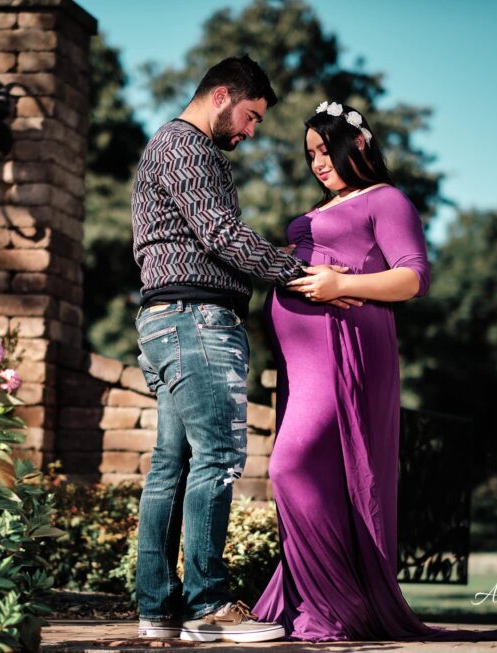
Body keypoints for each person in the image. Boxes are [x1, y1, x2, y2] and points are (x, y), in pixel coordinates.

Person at [252, 101, 497, 645]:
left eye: (326, 150)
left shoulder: (386, 199)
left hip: (346, 350)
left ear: (359, 144)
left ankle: (333, 605)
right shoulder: (321, 208)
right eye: (310, 154)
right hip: (303, 359)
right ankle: (320, 602)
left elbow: (413, 278)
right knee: (319, 477)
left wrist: (341, 285)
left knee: (290, 467)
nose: (317, 163)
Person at [130, 57, 351, 644]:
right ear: (221, 95)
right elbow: (222, 235)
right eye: (251, 116)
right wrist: (302, 274)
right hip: (197, 320)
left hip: (167, 320)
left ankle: (158, 611)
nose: (251, 131)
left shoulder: (168, 146)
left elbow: (205, 237)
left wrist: (276, 261)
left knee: (171, 466)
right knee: (219, 457)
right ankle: (208, 607)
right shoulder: (187, 147)